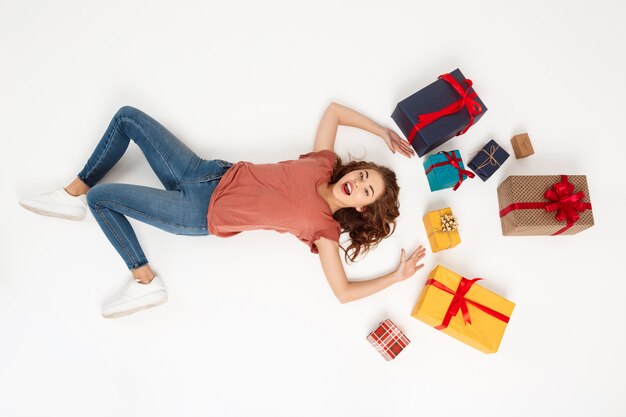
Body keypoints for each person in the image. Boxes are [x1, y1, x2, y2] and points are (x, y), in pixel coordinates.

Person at [19, 103, 426, 319]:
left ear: (360, 206)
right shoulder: (323, 163)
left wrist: (396, 276)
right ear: (354, 169)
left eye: (367, 191)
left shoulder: (323, 231)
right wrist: (382, 131)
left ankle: (143, 280)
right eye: (364, 174)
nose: (359, 182)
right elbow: (335, 111)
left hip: (197, 212)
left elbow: (343, 292)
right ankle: (71, 194)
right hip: (205, 172)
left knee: (102, 199)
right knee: (128, 117)